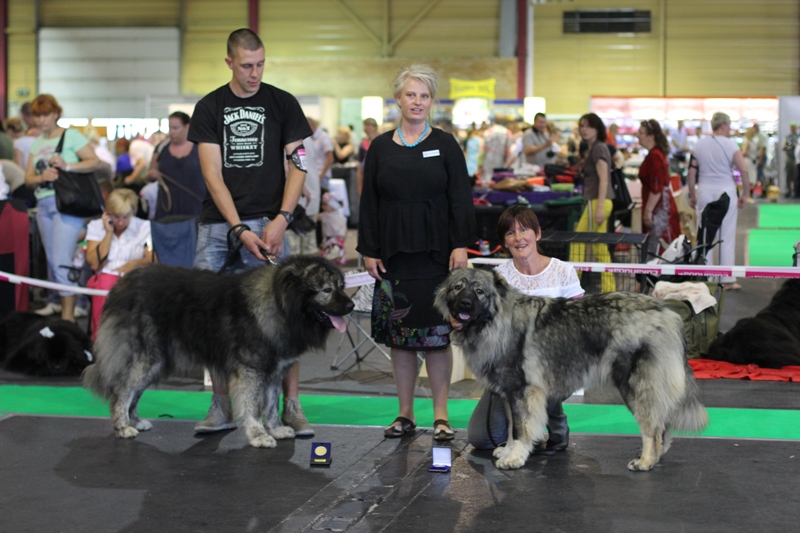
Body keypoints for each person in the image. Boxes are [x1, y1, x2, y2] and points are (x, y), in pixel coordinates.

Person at [187, 28, 315, 436]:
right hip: (218, 227)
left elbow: (299, 164)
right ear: (229, 62)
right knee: (212, 320)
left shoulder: (283, 103)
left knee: (289, 317)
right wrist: (239, 227)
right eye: (246, 66)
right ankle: (220, 404)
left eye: (260, 64)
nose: (254, 73)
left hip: (271, 221)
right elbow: (212, 174)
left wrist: (282, 218)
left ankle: (291, 406)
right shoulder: (210, 107)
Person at [357, 63, 476, 441]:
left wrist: (460, 244)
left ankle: (441, 417)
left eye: (424, 96)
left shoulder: (444, 144)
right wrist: (369, 249)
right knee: (401, 337)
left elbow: (461, 197)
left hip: (437, 254)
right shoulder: (379, 147)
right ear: (398, 99)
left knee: (438, 337)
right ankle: (405, 414)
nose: (418, 102)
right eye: (411, 94)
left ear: (432, 102)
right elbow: (369, 201)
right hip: (393, 256)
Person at [465, 205, 584, 452]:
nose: (518, 238)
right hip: (509, 369)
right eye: (510, 233)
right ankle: (530, 430)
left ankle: (554, 423)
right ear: (505, 242)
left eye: (524, 230)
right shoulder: (498, 277)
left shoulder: (563, 271)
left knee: (535, 383)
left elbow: (579, 324)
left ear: (537, 234)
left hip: (557, 365)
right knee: (481, 438)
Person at [23, 94, 101, 322]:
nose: (40, 120)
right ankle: (67, 315)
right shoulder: (37, 142)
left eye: (45, 114)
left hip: (66, 205)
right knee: (54, 262)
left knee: (60, 261)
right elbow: (28, 178)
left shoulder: (71, 135)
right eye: (37, 115)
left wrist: (68, 165)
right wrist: (41, 177)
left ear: (56, 113)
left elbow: (95, 161)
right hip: (43, 204)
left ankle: (69, 319)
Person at [687, 111, 750, 291]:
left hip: (704, 192)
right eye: (729, 127)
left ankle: (705, 277)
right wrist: (745, 193)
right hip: (726, 193)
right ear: (723, 126)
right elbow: (744, 171)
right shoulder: (731, 145)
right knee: (726, 236)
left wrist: (692, 194)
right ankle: (726, 279)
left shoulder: (698, 145)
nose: (729, 130)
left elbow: (691, 173)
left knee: (704, 234)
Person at [85, 188, 153, 338]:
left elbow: (152, 258)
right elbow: (95, 264)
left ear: (133, 211)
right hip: (105, 277)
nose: (121, 222)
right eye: (116, 217)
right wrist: (108, 232)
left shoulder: (145, 227)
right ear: (107, 213)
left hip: (134, 277)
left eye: (125, 217)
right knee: (105, 283)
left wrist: (134, 263)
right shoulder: (96, 226)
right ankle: (100, 339)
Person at [571, 112, 615, 293]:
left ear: (597, 129)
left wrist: (598, 208)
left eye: (588, 126)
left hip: (598, 202)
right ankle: (609, 289)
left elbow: (604, 179)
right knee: (599, 247)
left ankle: (572, 286)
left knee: (578, 242)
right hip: (599, 202)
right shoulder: (595, 148)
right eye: (582, 126)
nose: (584, 129)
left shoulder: (598, 149)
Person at [146, 111, 205, 220]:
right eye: (170, 128)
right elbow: (149, 173)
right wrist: (152, 174)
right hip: (167, 207)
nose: (171, 132)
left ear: (187, 127)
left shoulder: (200, 147)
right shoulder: (161, 147)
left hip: (195, 206)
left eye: (175, 128)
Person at [637, 119, 681, 257]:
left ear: (651, 136)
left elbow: (656, 187)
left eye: (641, 133)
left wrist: (648, 211)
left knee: (658, 247)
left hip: (659, 209)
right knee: (661, 246)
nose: (638, 135)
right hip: (662, 205)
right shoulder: (657, 154)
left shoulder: (654, 156)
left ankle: (655, 277)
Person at [356, 118, 379, 195]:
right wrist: (359, 184)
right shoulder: (363, 144)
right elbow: (360, 165)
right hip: (367, 175)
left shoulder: (382, 141)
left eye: (369, 125)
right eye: (365, 125)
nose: (366, 128)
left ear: (374, 127)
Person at [782, 122, 798, 198]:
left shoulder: (798, 137)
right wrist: (789, 145)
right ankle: (788, 190)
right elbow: (783, 146)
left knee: (796, 176)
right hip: (789, 158)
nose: (792, 129)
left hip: (796, 159)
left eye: (793, 127)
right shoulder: (787, 137)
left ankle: (796, 191)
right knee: (788, 176)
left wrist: (795, 145)